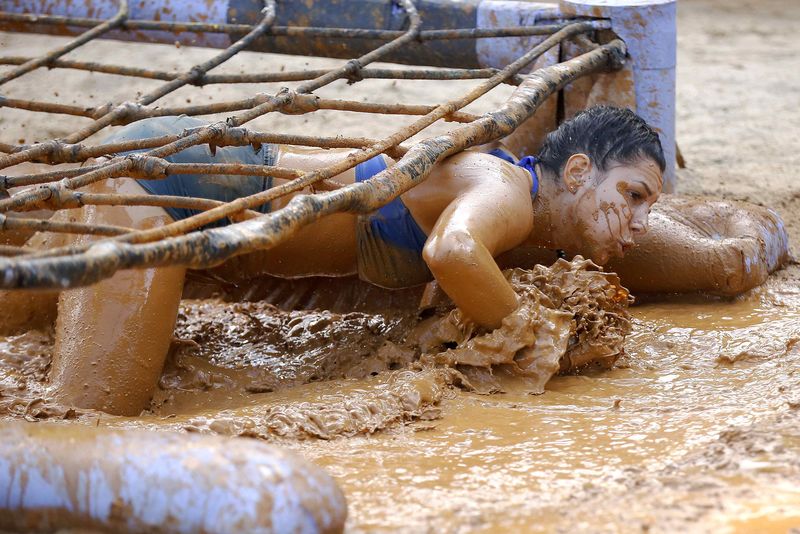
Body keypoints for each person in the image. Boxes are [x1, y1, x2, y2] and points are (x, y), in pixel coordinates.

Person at [0, 106, 788, 415]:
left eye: (650, 207)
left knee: (20, 313)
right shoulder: (506, 191)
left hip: (179, 180)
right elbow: (452, 251)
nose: (640, 224)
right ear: (576, 171)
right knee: (86, 415)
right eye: (632, 196)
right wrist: (534, 336)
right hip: (160, 196)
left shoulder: (533, 221)